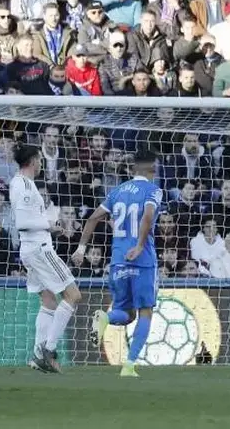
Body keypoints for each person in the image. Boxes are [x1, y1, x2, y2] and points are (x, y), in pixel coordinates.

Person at [74, 150, 163, 378]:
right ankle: (129, 365)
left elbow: (93, 218)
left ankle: (105, 317)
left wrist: (81, 248)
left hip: (117, 261)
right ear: (150, 169)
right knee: (145, 312)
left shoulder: (117, 192)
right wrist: (141, 245)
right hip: (142, 261)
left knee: (126, 313)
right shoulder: (153, 190)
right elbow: (147, 216)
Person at [9, 144, 82, 374]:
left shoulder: (21, 183)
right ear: (32, 161)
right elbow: (22, 223)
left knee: (49, 301)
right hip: (39, 249)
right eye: (39, 159)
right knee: (73, 295)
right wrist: (49, 225)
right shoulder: (24, 186)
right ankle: (48, 350)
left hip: (31, 250)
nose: (41, 163)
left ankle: (37, 354)